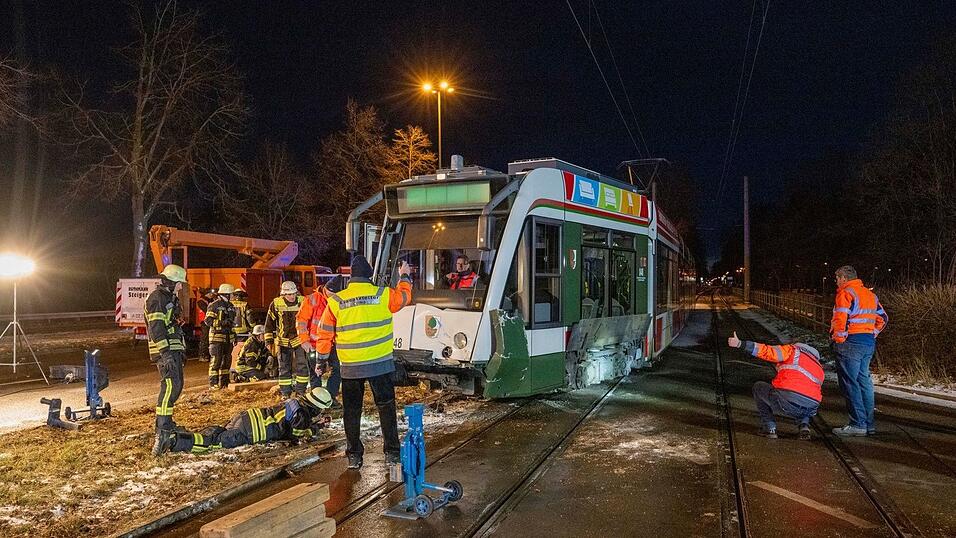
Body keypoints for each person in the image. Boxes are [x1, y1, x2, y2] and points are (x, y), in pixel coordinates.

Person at [315, 255, 412, 469]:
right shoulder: (382, 294)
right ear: (370, 276)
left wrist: (321, 362)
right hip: (380, 364)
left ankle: (354, 456)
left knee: (352, 411)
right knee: (386, 408)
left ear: (351, 278)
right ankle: (392, 454)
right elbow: (405, 297)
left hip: (350, 367)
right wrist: (404, 275)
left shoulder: (336, 301)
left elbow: (324, 335)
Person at [154, 387, 333, 456]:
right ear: (316, 407)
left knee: (216, 432)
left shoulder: (294, 402)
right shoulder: (302, 416)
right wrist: (315, 429)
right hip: (251, 431)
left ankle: (177, 436)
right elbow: (296, 436)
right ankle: (173, 441)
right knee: (214, 444)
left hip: (246, 417)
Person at [728, 332, 823, 440]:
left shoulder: (792, 350)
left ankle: (769, 428)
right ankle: (804, 426)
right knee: (805, 394)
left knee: (758, 387)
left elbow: (768, 351)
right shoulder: (818, 365)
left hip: (787, 400)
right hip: (810, 408)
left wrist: (740, 344)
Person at [830, 265, 888, 437]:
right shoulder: (870, 295)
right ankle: (869, 424)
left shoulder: (846, 293)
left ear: (843, 278)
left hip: (850, 343)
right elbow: (883, 318)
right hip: (867, 342)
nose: (837, 282)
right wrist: (872, 333)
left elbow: (841, 318)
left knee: (850, 383)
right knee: (864, 383)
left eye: (837, 279)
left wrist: (839, 339)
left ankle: (857, 423)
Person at [145, 264, 189, 456]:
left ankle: (167, 424)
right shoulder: (156, 299)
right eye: (179, 283)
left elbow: (170, 324)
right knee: (169, 387)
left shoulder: (170, 297)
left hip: (174, 347)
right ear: (171, 282)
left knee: (177, 386)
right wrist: (166, 353)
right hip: (165, 351)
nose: (181, 287)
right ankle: (162, 430)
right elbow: (157, 328)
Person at [297, 275, 346, 408]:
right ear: (326, 289)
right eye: (331, 293)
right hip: (313, 344)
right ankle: (315, 401)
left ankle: (329, 397)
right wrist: (304, 340)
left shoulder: (338, 300)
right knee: (315, 373)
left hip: (332, 343)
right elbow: (301, 321)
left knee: (338, 369)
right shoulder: (312, 300)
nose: (332, 296)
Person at [266, 281, 307, 398]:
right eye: (289, 294)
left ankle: (301, 391)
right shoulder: (276, 304)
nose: (292, 296)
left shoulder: (302, 301)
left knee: (302, 366)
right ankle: (285, 392)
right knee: (284, 367)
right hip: (283, 341)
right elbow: (269, 324)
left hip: (299, 339)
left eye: (294, 293)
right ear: (283, 294)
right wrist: (268, 341)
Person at [205, 283, 237, 389]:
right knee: (216, 361)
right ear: (226, 294)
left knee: (226, 362)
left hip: (228, 339)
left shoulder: (231, 307)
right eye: (232, 294)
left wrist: (234, 335)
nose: (233, 296)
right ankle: (213, 384)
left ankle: (224, 383)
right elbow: (208, 321)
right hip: (216, 338)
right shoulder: (214, 305)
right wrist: (222, 322)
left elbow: (231, 323)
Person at [196, 288, 216, 362]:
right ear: (207, 294)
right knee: (204, 339)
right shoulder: (201, 301)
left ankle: (208, 355)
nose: (212, 295)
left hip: (209, 322)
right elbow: (207, 310)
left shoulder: (210, 301)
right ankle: (202, 355)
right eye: (210, 293)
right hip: (204, 323)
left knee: (209, 339)